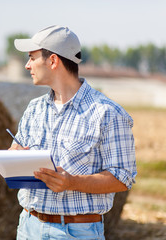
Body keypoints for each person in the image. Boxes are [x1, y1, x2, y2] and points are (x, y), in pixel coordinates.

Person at [8, 25, 137, 239]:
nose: (27, 65)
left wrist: (72, 182)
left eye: (32, 57)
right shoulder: (33, 109)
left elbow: (122, 178)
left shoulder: (107, 113)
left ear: (53, 61)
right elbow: (18, 147)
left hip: (76, 232)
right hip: (28, 227)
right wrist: (15, 153)